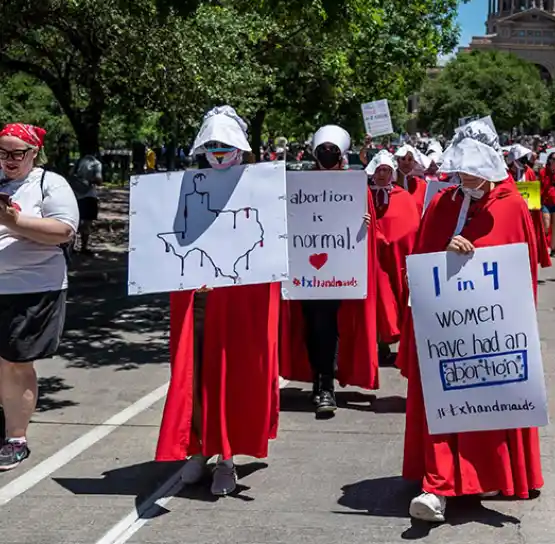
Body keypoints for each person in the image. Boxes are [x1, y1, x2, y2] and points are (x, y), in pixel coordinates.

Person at [399, 120, 542, 523]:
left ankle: (484, 475)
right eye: (461, 168)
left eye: (475, 168)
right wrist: (447, 255)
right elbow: (422, 262)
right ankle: (438, 485)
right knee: (440, 400)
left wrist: (473, 254)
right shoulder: (442, 204)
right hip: (445, 329)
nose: (467, 176)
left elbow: (516, 271)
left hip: (488, 328)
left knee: (487, 401)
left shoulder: (512, 206)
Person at [155, 107, 280, 496]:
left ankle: (227, 458)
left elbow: (271, 243)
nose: (219, 152)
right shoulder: (183, 185)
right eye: (211, 145)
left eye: (225, 145)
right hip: (198, 297)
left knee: (234, 375)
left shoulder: (262, 186)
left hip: (244, 301)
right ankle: (198, 448)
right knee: (195, 375)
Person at [279, 125, 378, 416]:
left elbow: (367, 230)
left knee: (328, 325)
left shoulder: (354, 185)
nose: (327, 155)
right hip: (305, 269)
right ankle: (318, 378)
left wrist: (365, 223)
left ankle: (326, 384)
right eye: (324, 150)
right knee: (311, 325)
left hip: (340, 271)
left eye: (333, 151)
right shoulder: (298, 183)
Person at [0, 123, 79, 471]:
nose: (9, 160)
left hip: (31, 289)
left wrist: (14, 220)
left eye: (17, 153)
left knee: (16, 363)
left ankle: (16, 438)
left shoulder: (51, 183)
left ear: (34, 153)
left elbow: (64, 230)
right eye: (3, 153)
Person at [366, 150, 420, 352]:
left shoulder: (402, 196)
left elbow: (412, 225)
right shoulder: (363, 194)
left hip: (399, 258)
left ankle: (400, 345)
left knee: (400, 297)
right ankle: (380, 344)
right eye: (379, 170)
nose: (382, 175)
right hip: (373, 257)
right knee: (380, 298)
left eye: (386, 170)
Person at [507, 144, 552, 268]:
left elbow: (533, 200)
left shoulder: (529, 172)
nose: (524, 161)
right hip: (509, 216)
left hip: (526, 215)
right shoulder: (506, 174)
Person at [70, 153, 103, 255]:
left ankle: (71, 248)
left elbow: (70, 174)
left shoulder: (78, 161)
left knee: (75, 223)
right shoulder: (96, 164)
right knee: (87, 224)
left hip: (76, 195)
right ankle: (84, 247)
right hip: (89, 195)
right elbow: (99, 179)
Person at [394, 144, 428, 212]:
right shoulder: (390, 183)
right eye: (403, 159)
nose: (406, 162)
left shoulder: (422, 185)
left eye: (410, 159)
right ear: (398, 161)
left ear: (414, 162)